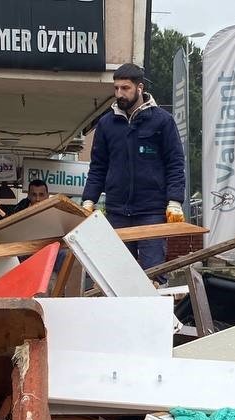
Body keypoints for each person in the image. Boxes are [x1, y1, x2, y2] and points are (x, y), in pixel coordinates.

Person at [81, 63, 186, 270]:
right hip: (117, 211)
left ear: (140, 88)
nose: (119, 93)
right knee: (119, 273)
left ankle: (155, 299)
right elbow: (98, 166)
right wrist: (88, 199)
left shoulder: (162, 122)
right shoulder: (106, 124)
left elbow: (175, 163)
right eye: (116, 88)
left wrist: (174, 200)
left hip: (152, 211)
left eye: (125, 88)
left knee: (154, 272)